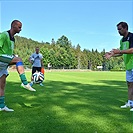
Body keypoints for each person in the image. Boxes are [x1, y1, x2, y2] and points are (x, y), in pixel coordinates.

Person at [0, 20, 36, 112]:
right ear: (13, 26)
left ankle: (1, 106)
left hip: (3, 64)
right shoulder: (4, 35)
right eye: (19, 27)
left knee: (2, 85)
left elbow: (8, 53)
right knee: (18, 59)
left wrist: (12, 58)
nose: (21, 29)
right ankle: (24, 83)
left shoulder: (13, 39)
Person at [105, 22, 133, 111]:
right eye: (117, 29)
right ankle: (130, 103)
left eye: (120, 29)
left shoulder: (132, 37)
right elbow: (121, 52)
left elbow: (132, 50)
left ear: (125, 28)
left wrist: (119, 51)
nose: (118, 31)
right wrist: (112, 54)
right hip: (128, 66)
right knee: (129, 85)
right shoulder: (121, 40)